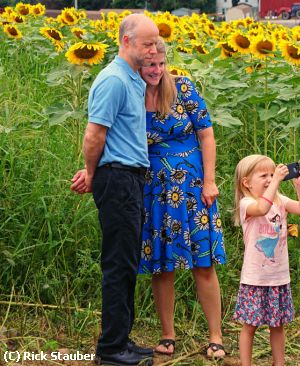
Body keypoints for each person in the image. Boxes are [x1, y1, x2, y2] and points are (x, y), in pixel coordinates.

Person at [70, 13, 159, 366]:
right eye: (147, 43)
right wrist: (92, 173)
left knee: (127, 262)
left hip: (129, 177)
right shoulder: (113, 81)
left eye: (156, 43)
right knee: (117, 264)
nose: (153, 49)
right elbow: (95, 134)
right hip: (118, 178)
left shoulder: (132, 79)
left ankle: (122, 339)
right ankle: (111, 350)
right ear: (126, 41)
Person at [137, 39, 226, 358]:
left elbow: (207, 133)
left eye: (160, 64)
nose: (156, 71)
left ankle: (216, 335)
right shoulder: (132, 94)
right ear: (138, 64)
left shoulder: (183, 87)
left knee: (203, 264)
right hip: (155, 191)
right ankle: (167, 334)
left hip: (193, 189)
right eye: (150, 65)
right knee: (162, 266)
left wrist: (210, 181)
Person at [232, 155, 300, 366]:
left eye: (271, 174)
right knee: (250, 325)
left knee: (278, 325)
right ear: (246, 182)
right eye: (263, 175)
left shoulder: (279, 200)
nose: (270, 178)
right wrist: (276, 180)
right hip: (255, 278)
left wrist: (297, 186)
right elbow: (262, 209)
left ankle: (280, 363)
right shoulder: (247, 203)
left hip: (278, 277)